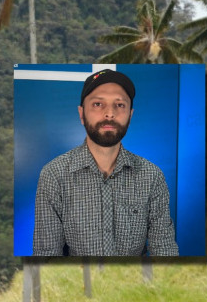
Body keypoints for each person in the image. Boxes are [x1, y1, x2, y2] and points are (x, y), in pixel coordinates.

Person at [33, 69, 179, 257]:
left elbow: (164, 249)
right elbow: (46, 255)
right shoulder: (54, 175)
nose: (109, 114)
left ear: (130, 114)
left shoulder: (151, 176)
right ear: (81, 113)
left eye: (119, 105)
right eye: (98, 104)